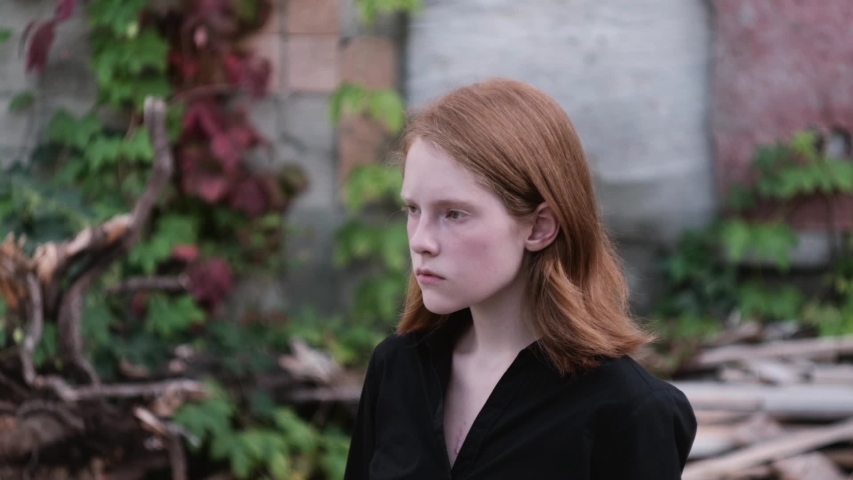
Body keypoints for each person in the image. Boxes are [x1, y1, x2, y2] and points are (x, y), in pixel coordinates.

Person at [343, 78, 696, 480]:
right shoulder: (397, 369)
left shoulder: (627, 409)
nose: (420, 240)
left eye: (454, 214)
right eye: (413, 209)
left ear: (540, 227)